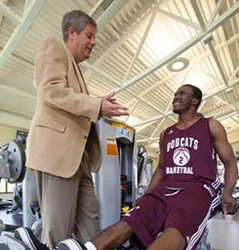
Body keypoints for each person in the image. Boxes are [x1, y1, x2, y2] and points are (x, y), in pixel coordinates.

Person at [17, 84, 238, 250]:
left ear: (195, 101)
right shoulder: (166, 133)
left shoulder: (210, 126)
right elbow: (161, 168)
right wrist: (148, 196)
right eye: (176, 93)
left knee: (177, 228)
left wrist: (227, 193)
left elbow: (229, 163)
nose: (176, 97)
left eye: (182, 94)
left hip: (198, 188)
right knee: (129, 220)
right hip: (166, 188)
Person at [24, 10, 129, 249]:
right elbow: (51, 90)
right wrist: (95, 105)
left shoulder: (77, 69)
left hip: (80, 160)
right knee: (57, 230)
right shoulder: (54, 47)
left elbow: (72, 102)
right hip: (58, 156)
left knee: (90, 228)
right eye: (89, 35)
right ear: (72, 33)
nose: (94, 42)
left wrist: (98, 102)